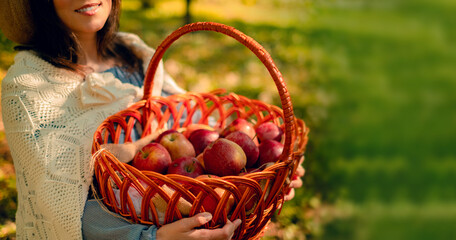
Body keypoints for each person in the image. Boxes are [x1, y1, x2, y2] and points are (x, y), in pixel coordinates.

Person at [0, 0, 304, 239]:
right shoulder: (29, 90)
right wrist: (151, 238)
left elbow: (194, 126)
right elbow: (60, 209)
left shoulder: (134, 52)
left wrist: (268, 175)